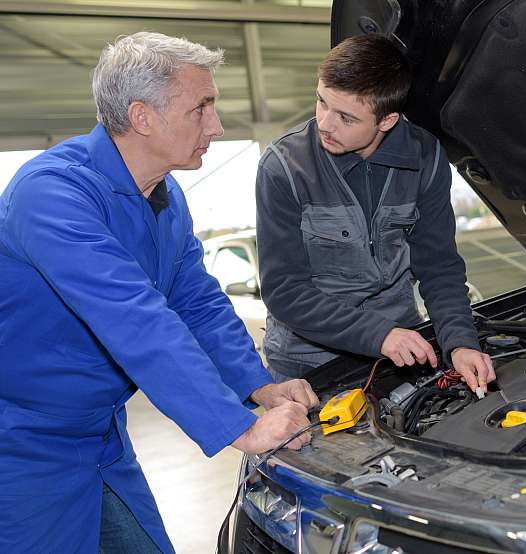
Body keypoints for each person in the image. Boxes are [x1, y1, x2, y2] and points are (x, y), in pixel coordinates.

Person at [0, 32, 318, 554]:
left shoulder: (164, 199)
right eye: (202, 108)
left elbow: (197, 302)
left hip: (100, 437)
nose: (215, 125)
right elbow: (135, 318)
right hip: (21, 446)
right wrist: (240, 428)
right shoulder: (52, 194)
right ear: (142, 116)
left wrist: (257, 386)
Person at [256, 34, 495, 392]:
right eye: (322, 101)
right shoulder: (284, 168)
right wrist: (379, 334)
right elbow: (285, 290)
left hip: (399, 353)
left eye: (346, 117)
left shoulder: (424, 159)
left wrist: (460, 342)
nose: (324, 123)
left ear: (387, 121)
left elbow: (438, 266)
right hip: (307, 364)